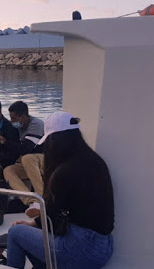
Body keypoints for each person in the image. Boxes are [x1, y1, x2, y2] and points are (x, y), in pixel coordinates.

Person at [7, 111, 114, 269]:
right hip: (104, 247)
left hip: (82, 249)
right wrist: (34, 223)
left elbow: (51, 217)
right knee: (29, 238)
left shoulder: (65, 172)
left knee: (16, 233)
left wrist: (31, 224)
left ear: (55, 141)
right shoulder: (95, 161)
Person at [2, 101, 45, 210]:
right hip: (30, 162)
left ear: (23, 117)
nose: (12, 121)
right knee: (8, 170)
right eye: (10, 118)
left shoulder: (36, 124)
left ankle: (42, 198)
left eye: (14, 118)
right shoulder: (19, 127)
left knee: (26, 158)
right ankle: (31, 201)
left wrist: (3, 141)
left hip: (44, 160)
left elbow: (26, 149)